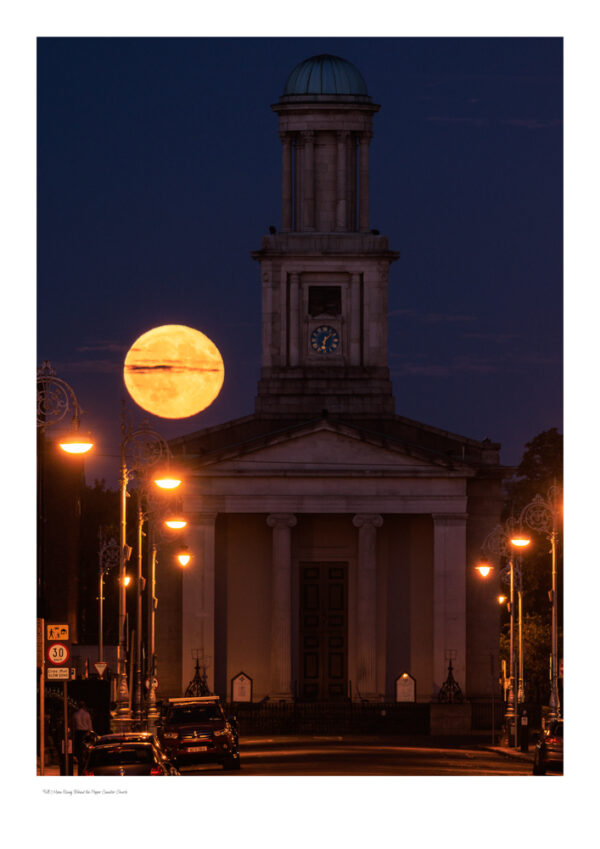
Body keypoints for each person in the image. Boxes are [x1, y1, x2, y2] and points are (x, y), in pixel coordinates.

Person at [72, 701, 93, 766]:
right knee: (86, 747)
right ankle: (85, 760)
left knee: (78, 747)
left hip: (78, 732)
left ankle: (79, 759)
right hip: (85, 732)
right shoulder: (87, 714)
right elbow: (89, 724)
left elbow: (74, 724)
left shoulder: (75, 714)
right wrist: (89, 733)